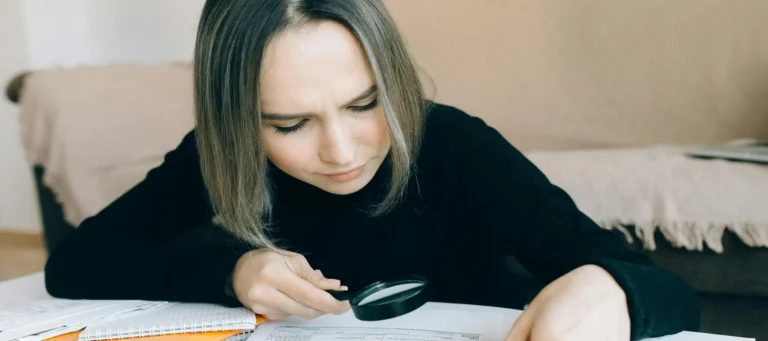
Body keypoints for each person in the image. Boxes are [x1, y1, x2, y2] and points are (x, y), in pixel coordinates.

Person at [43, 0, 700, 340]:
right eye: (289, 123)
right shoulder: (218, 155)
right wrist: (233, 269)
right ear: (237, 120)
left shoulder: (454, 146)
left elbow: (669, 291)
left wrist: (609, 288)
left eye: (365, 104)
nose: (341, 150)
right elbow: (74, 262)